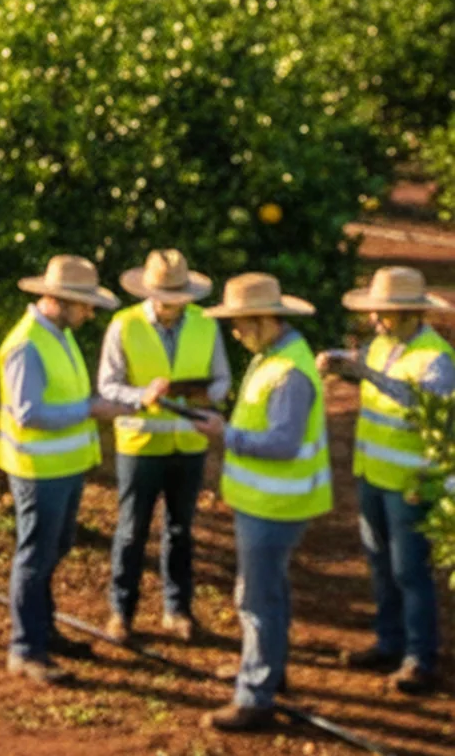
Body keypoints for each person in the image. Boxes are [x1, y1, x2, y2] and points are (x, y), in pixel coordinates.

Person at [0, 255, 151, 684]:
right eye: (84, 305)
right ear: (59, 300)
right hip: (38, 470)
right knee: (35, 556)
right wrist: (89, 410)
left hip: (62, 467)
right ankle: (26, 649)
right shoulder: (27, 345)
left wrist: (107, 406)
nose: (89, 314)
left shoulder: (57, 336)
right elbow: (29, 413)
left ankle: (43, 632)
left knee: (54, 548)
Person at [193, 273, 332, 732]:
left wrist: (225, 434)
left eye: (240, 323)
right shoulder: (273, 357)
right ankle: (269, 669)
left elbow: (283, 443)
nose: (235, 333)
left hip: (275, 505)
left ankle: (255, 695)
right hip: (267, 501)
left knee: (256, 599)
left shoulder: (288, 372)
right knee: (269, 591)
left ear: (264, 319)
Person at [319, 266, 453, 696]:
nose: (376, 319)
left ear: (412, 313)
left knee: (410, 570)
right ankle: (388, 641)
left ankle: (420, 658)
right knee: (380, 563)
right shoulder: (382, 345)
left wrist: (366, 374)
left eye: (385, 313)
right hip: (373, 474)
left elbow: (423, 402)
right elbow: (367, 367)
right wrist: (341, 363)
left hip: (410, 481)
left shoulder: (436, 358)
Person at [98, 249, 231, 644]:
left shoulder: (205, 325)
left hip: (188, 444)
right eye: (165, 296)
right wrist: (142, 395)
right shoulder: (124, 325)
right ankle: (121, 612)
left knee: (180, 530)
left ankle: (178, 610)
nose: (171, 304)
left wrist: (204, 394)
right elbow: (107, 384)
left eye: (178, 296)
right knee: (131, 531)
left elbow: (222, 378)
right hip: (140, 445)